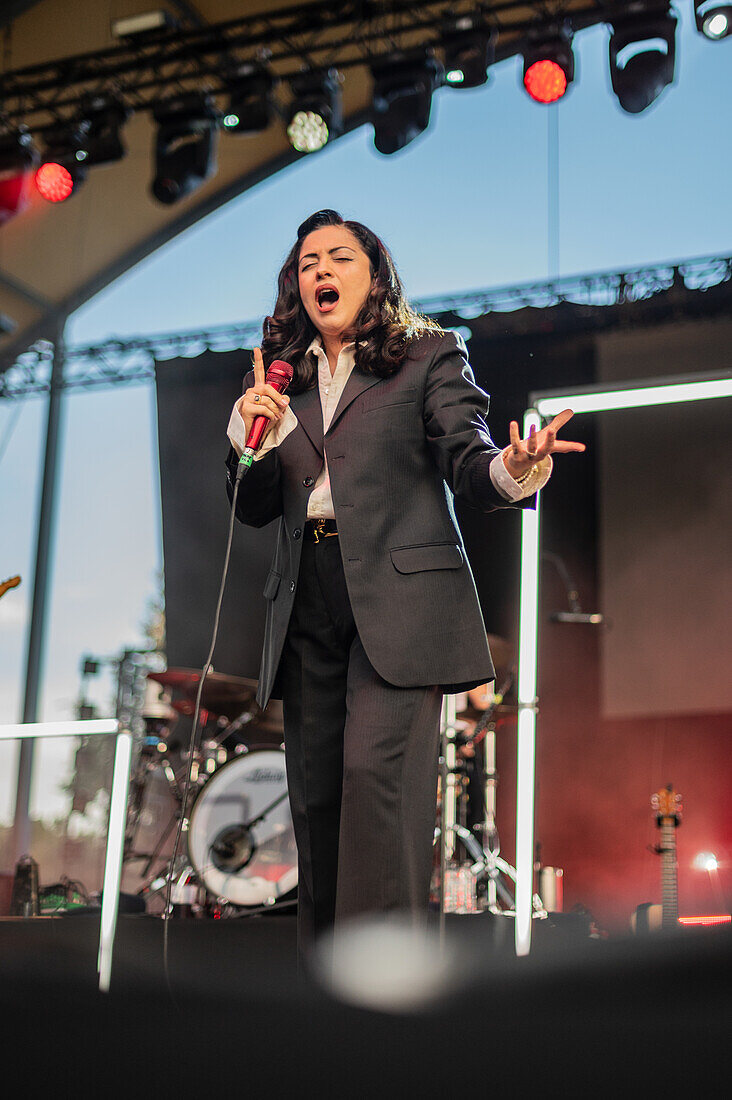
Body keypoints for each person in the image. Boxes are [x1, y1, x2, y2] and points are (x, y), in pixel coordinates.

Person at [225, 209, 584, 957]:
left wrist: (517, 468)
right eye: (306, 263)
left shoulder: (426, 355)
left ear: (375, 274)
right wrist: (246, 446)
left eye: (338, 257)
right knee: (317, 799)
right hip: (306, 600)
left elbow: (469, 456)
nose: (320, 270)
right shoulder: (278, 376)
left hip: (399, 600)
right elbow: (253, 509)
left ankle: (381, 987)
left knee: (374, 783)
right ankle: (326, 996)